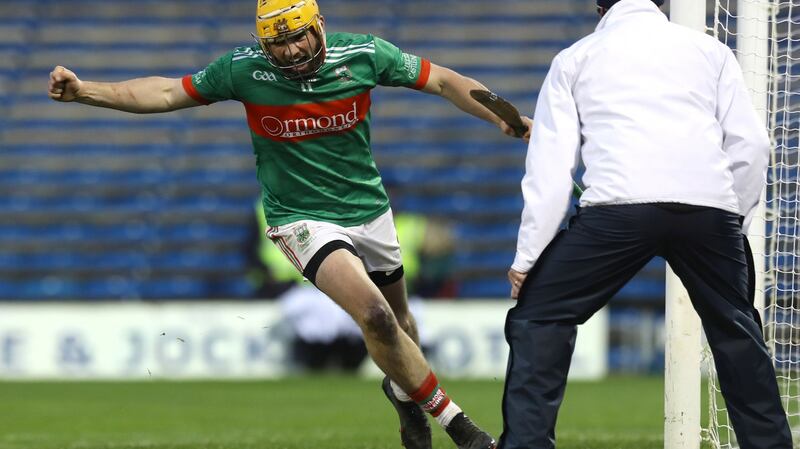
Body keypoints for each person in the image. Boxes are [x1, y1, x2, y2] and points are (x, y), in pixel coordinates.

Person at [48, 1, 531, 448]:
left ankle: (405, 400)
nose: (291, 49)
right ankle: (461, 427)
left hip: (368, 209)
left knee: (403, 326)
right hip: (301, 219)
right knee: (377, 317)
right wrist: (85, 91)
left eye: (299, 36)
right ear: (262, 44)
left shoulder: (363, 54)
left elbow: (443, 80)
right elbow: (169, 91)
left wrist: (498, 115)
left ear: (318, 26)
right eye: (277, 43)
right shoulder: (242, 69)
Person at [500, 0, 793, 448]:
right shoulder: (710, 50)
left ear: (599, 7)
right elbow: (752, 146)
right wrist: (734, 219)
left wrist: (527, 260)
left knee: (539, 318)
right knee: (736, 330)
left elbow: (551, 175)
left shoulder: (576, 58)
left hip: (619, 211)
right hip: (709, 212)